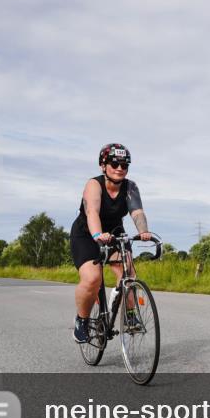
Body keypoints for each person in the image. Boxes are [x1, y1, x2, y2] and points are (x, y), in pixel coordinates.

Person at [69, 143, 152, 343]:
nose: (120, 168)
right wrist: (97, 234)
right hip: (87, 234)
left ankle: (130, 317)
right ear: (103, 165)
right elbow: (92, 213)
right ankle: (82, 320)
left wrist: (144, 232)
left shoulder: (130, 187)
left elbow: (137, 212)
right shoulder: (94, 185)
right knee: (92, 279)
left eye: (125, 165)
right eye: (114, 163)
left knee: (129, 274)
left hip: (114, 234)